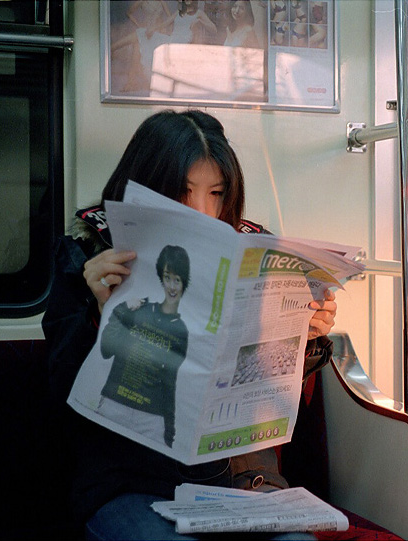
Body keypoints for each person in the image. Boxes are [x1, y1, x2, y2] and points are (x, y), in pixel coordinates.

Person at [42, 109, 336, 540]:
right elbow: (61, 393)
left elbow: (275, 396)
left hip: (242, 482)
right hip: (134, 485)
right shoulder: (88, 256)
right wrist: (101, 314)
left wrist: (302, 335)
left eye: (216, 193)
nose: (202, 211)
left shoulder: (250, 251)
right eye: (183, 192)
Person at [97, 245, 191, 448]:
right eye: (167, 278)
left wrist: (169, 430)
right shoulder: (138, 308)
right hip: (114, 404)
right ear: (161, 279)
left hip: (152, 419)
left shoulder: (182, 330)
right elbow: (106, 350)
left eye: (177, 280)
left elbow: (170, 382)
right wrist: (120, 311)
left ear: (184, 283)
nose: (172, 286)